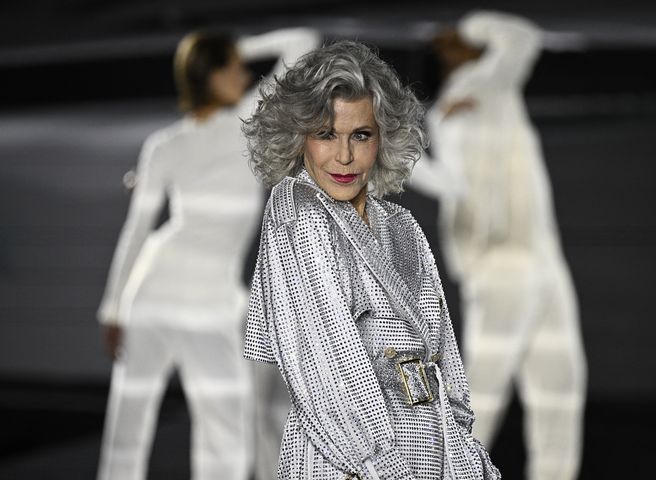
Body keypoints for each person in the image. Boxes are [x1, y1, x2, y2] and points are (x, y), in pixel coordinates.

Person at [241, 40, 501, 480]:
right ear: (297, 136)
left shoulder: (401, 225)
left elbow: (446, 358)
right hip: (347, 460)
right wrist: (379, 467)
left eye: (360, 135)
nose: (344, 156)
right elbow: (322, 371)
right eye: (326, 135)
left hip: (432, 449)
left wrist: (466, 455)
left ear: (383, 138)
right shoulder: (295, 213)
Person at [96, 27, 320, 480]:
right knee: (162, 430)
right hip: (176, 300)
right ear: (212, 77)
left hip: (184, 300)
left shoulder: (225, 124)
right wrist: (113, 309)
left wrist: (114, 308)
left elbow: (305, 43)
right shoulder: (189, 137)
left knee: (191, 433)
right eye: (234, 67)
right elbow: (137, 228)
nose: (244, 72)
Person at [410, 11, 587, 480]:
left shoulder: (455, 104)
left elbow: (451, 184)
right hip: (508, 264)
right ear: (447, 60)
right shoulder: (483, 80)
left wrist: (405, 157)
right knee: (500, 398)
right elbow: (522, 36)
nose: (465, 40)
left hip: (533, 260)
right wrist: (473, 26)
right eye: (451, 42)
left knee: (555, 392)